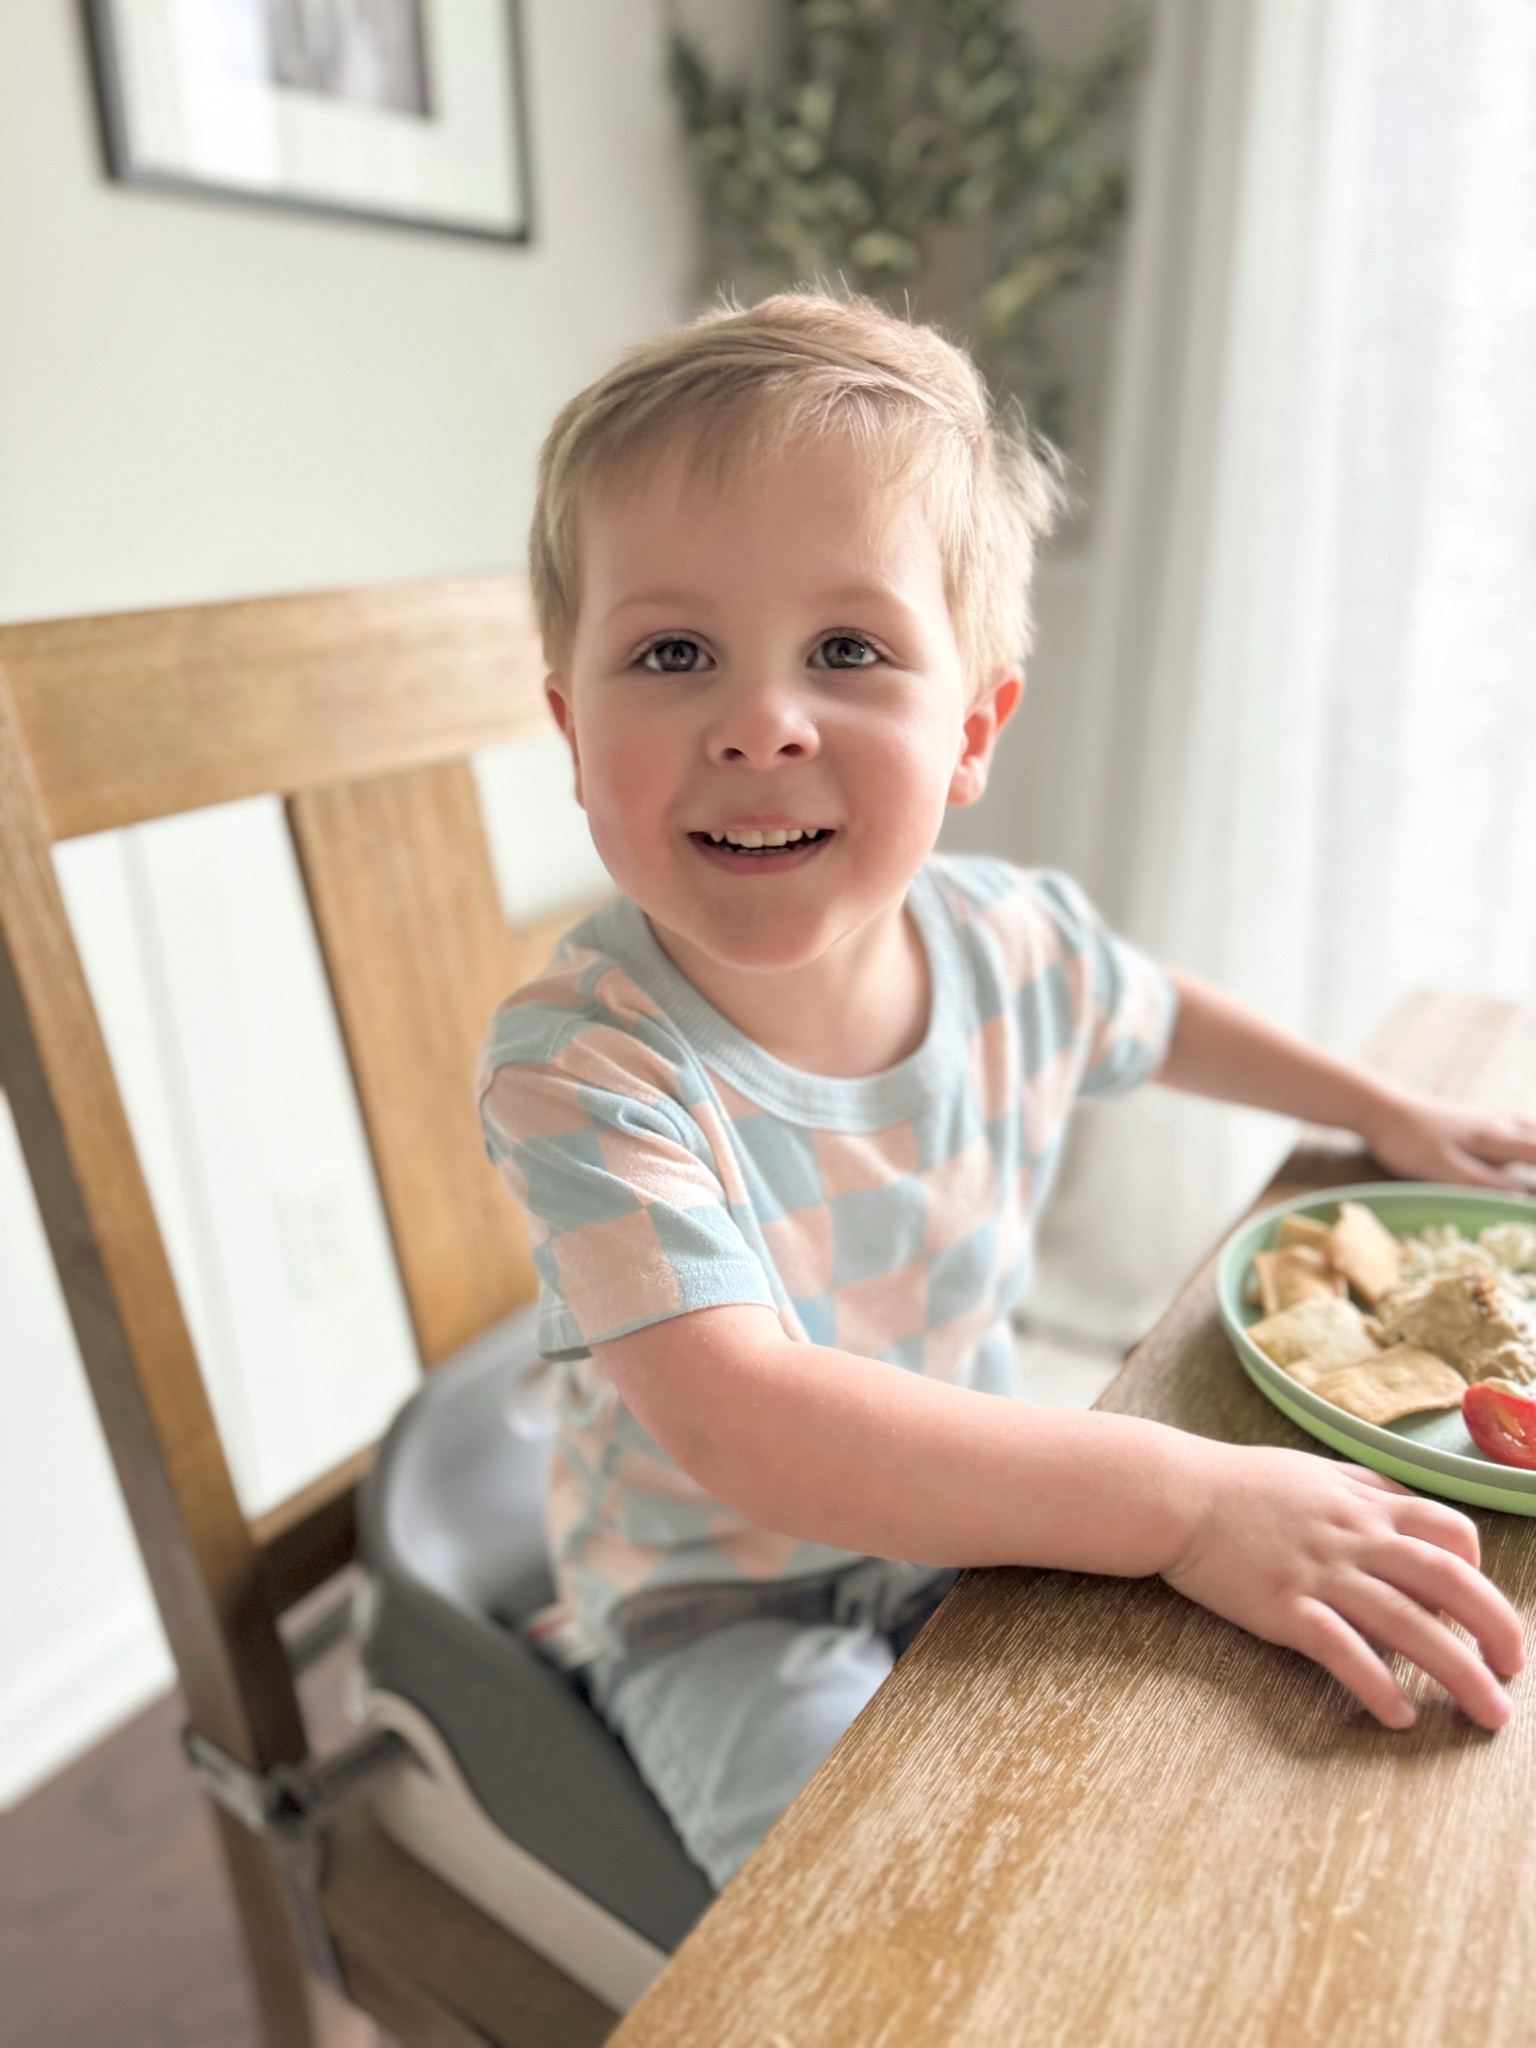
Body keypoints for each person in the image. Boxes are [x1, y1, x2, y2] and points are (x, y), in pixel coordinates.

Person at [478, 292, 1530, 1890]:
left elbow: (1156, 1011)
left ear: (973, 726)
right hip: (723, 1606)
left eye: (847, 650)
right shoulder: (582, 1061)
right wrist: (1186, 1504)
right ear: (571, 726)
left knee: (1183, 1813)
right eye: (673, 651)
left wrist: (1377, 1103)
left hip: (964, 1517)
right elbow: (751, 1425)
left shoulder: (1007, 944)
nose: (760, 723)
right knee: (894, 1910)